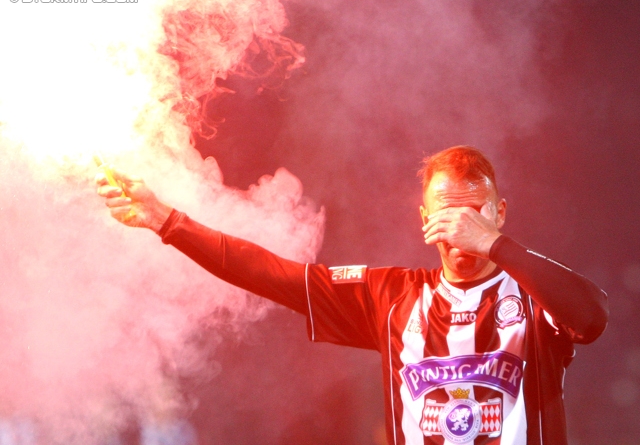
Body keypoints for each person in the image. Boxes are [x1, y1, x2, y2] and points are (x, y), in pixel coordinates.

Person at [97, 146, 608, 445]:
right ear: (425, 220)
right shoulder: (394, 295)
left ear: (499, 213)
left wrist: (496, 246)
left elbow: (591, 318)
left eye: (475, 214)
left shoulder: (535, 291)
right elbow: (275, 275)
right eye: (447, 216)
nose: (461, 229)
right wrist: (168, 221)